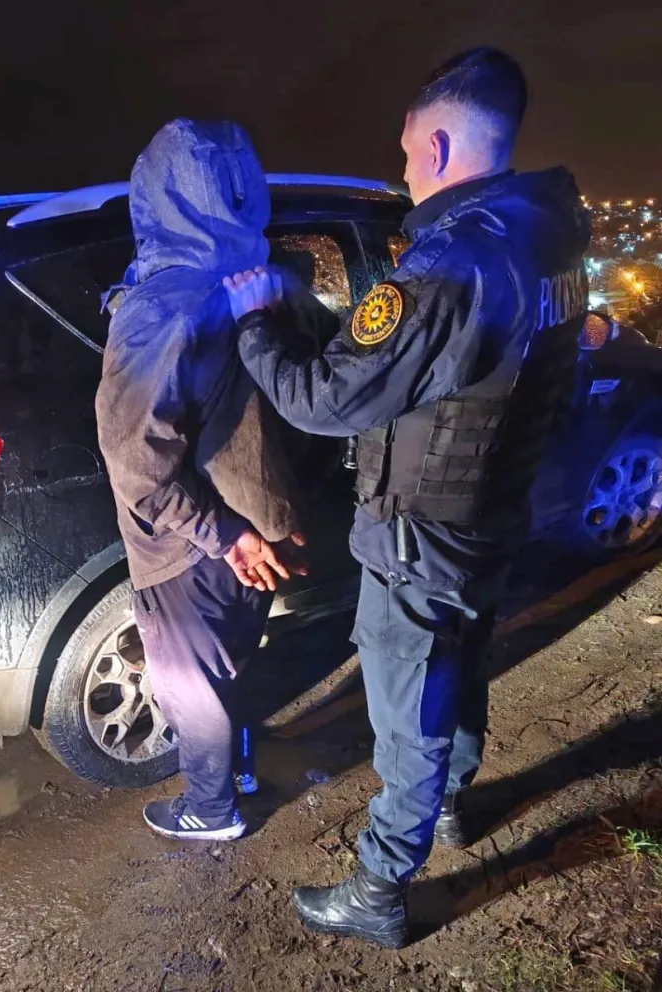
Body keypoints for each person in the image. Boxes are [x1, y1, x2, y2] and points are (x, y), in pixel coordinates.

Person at [224, 48, 591, 946]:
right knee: (455, 667)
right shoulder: (547, 229)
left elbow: (326, 399)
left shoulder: (451, 260)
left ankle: (381, 887)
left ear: (435, 142)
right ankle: (453, 809)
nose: (398, 168)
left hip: (423, 529)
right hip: (489, 509)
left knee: (409, 709)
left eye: (401, 150)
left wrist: (254, 317)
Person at [95, 118, 307, 843]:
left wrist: (225, 535)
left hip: (198, 545)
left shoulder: (161, 306)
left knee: (192, 685)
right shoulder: (259, 279)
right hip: (256, 524)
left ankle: (211, 810)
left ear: (154, 194)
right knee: (229, 663)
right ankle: (239, 770)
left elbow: (136, 463)